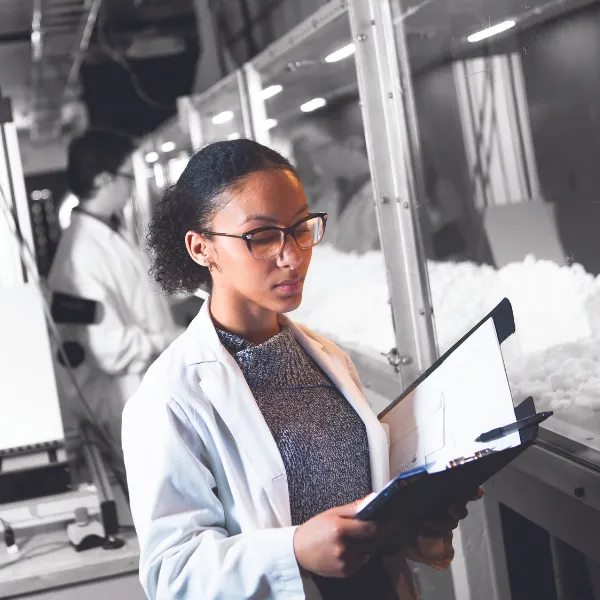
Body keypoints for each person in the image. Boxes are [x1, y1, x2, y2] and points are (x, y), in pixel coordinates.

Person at [122, 139, 479, 599]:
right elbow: (172, 574)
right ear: (201, 248)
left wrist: (413, 518)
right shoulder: (169, 398)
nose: (292, 255)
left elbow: (358, 504)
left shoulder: (327, 358)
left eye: (300, 228)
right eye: (263, 236)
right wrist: (292, 552)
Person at [49, 129, 181, 448]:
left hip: (150, 389)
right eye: (127, 176)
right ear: (102, 179)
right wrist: (174, 339)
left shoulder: (109, 230)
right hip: (126, 402)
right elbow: (110, 349)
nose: (131, 185)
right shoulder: (79, 255)